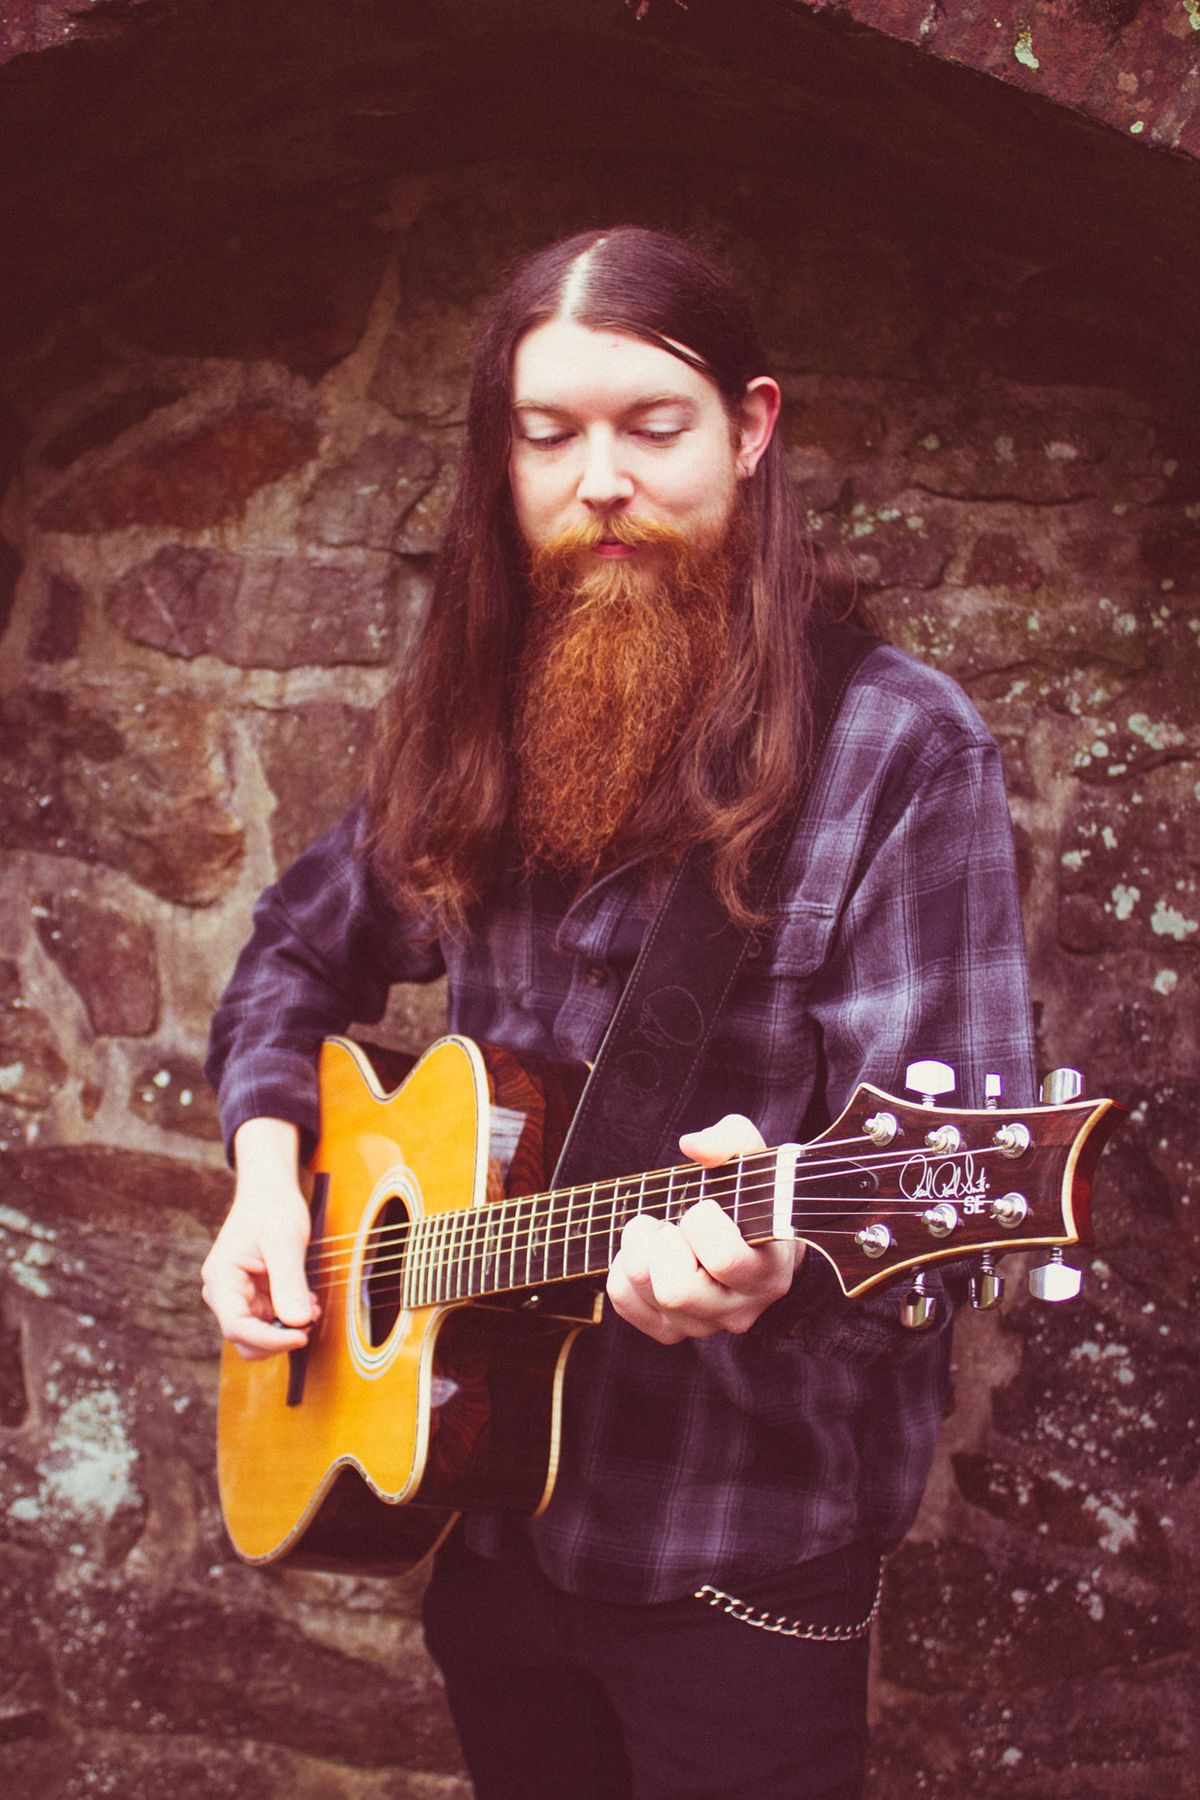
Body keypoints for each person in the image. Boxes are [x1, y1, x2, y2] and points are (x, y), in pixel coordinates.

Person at [201, 226, 1035, 1800]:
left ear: (753, 426)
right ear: (499, 454)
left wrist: (777, 1262)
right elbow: (291, 955)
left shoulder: (902, 749)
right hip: (487, 1513)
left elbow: (953, 1222)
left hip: (738, 1551)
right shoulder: (474, 699)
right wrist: (263, 1174)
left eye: (654, 428)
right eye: (550, 434)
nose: (602, 480)